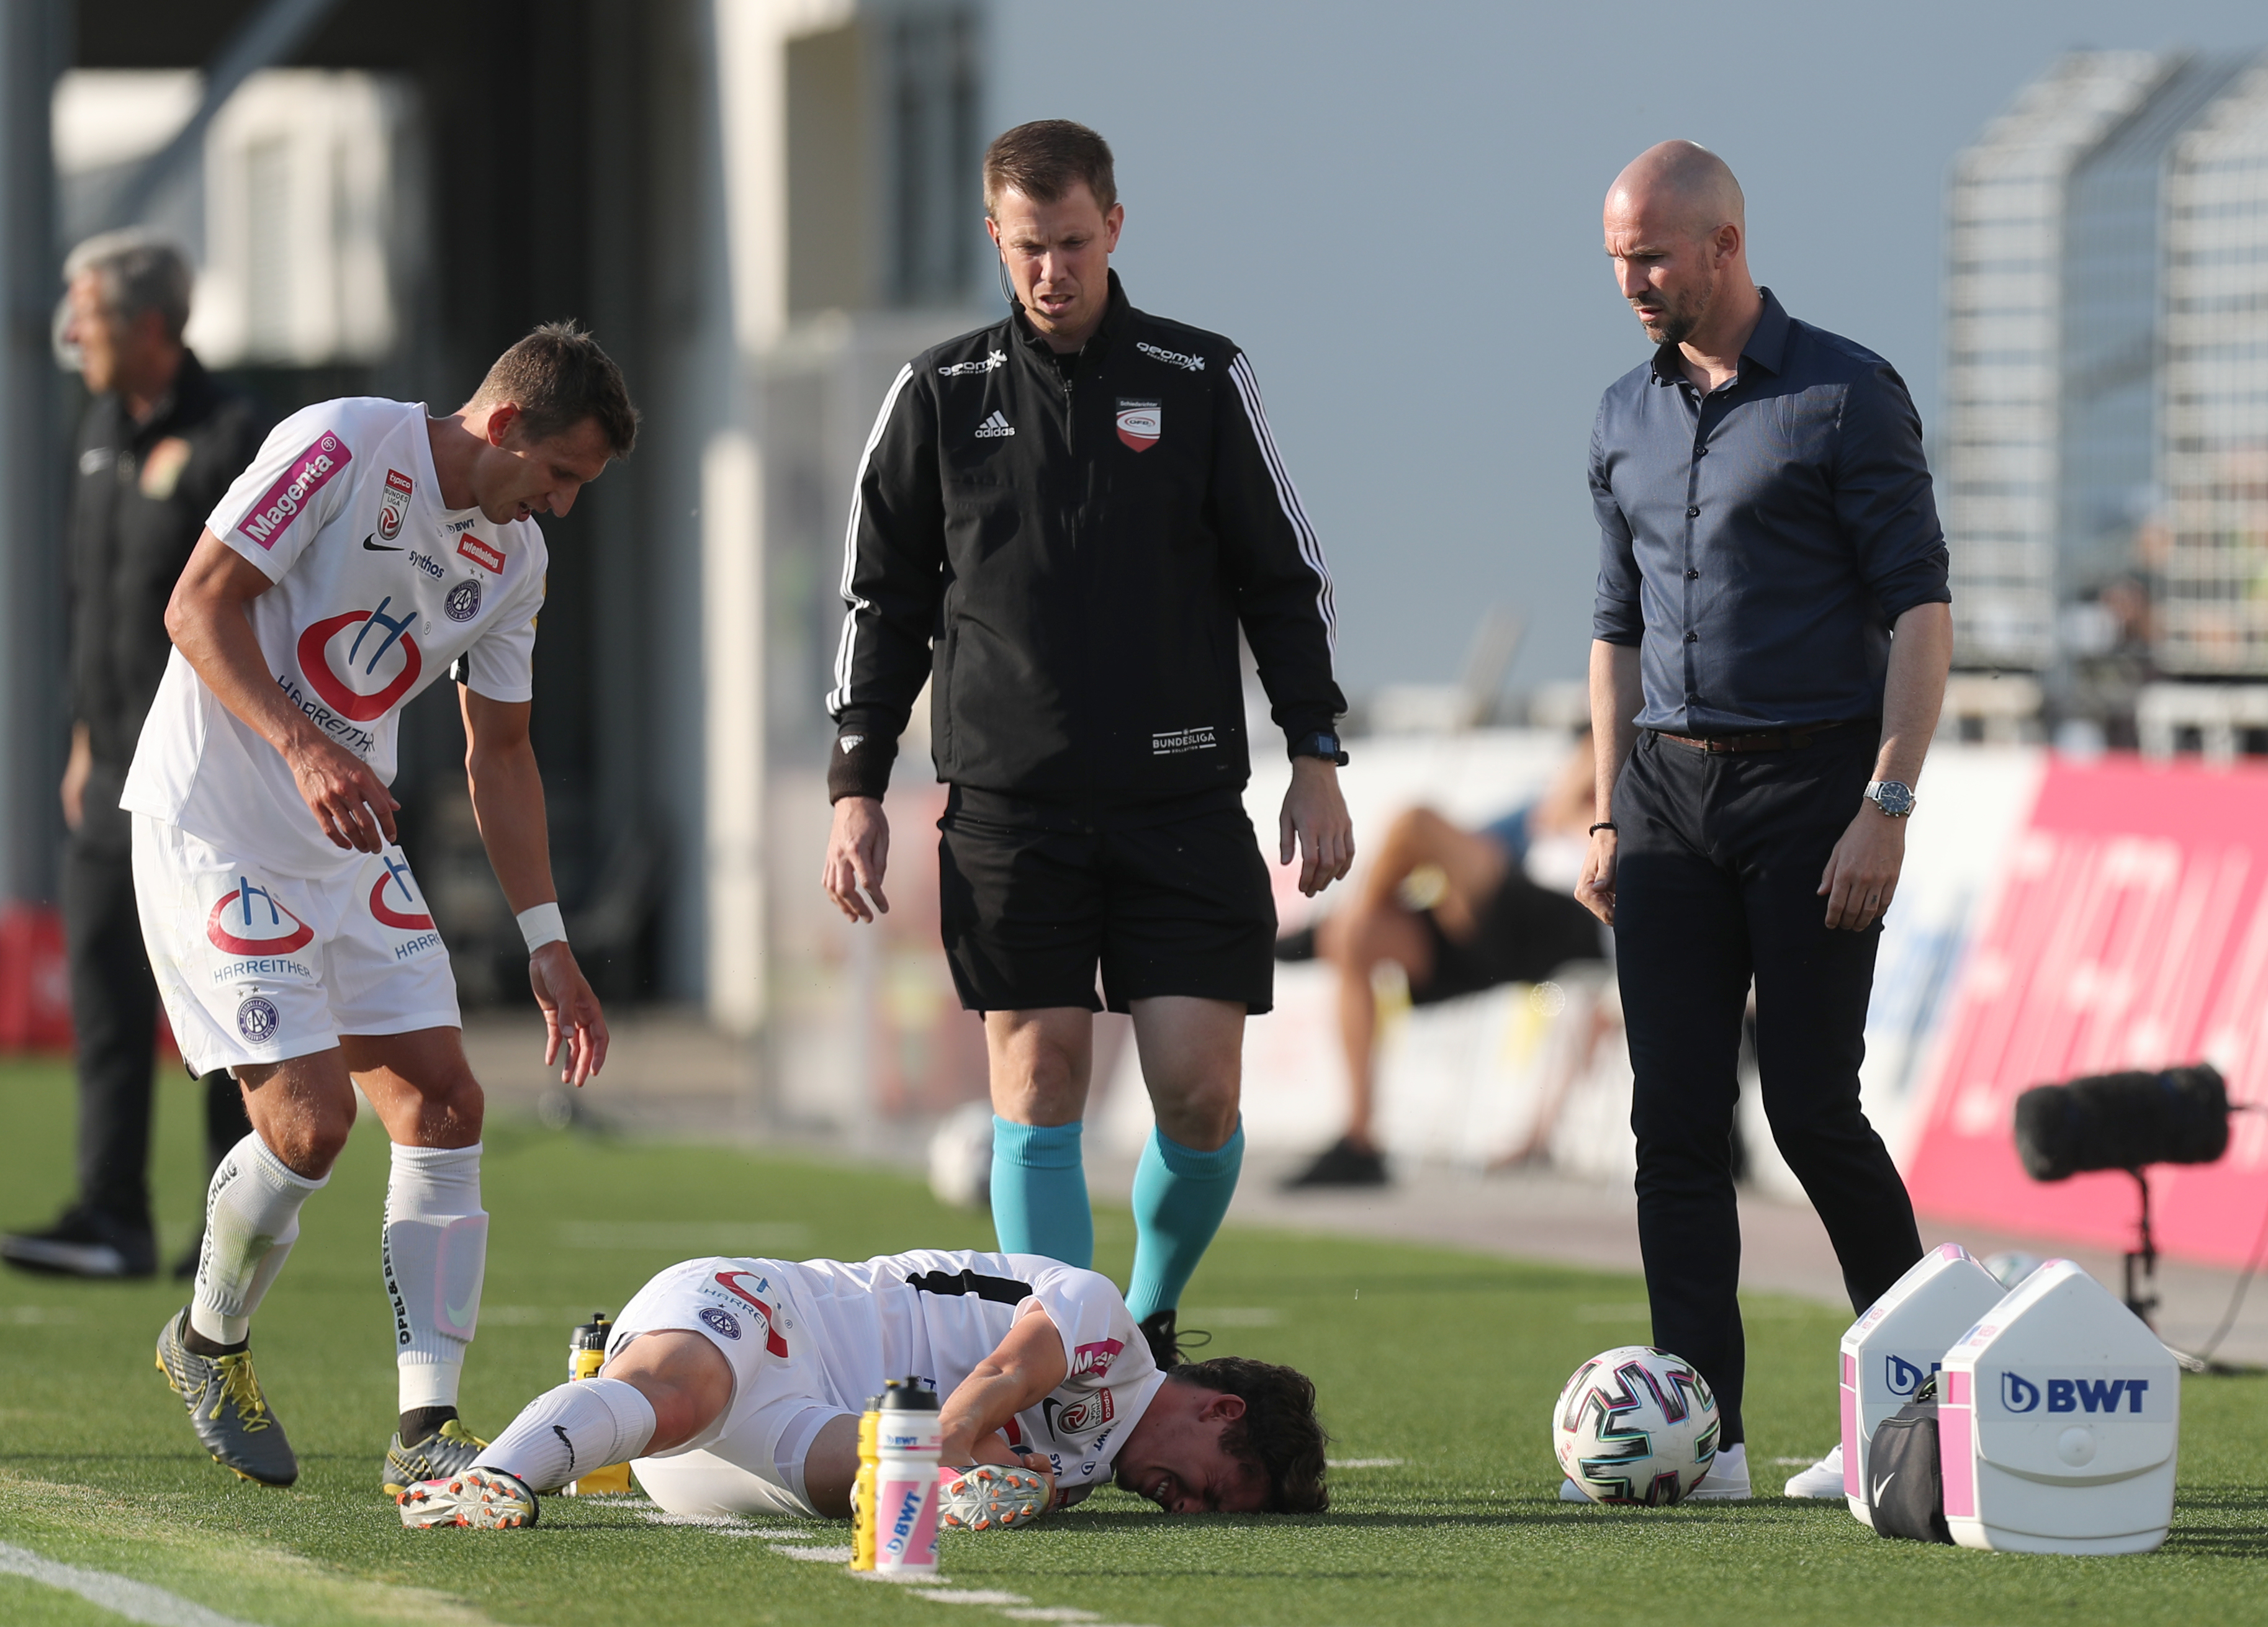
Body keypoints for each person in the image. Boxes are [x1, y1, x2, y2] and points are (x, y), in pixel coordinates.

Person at [819, 120, 1355, 1368]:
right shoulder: (939, 395)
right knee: (1041, 1078)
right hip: (1011, 810)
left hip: (1179, 804)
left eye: (1071, 243)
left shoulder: (1201, 377)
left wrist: (1316, 752)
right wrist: (857, 785)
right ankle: (1067, 1353)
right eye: (1026, 249)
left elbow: (1286, 579)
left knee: (1199, 1094)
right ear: (996, 241)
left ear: (1114, 226)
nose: (1050, 270)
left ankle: (1148, 1321)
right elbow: (880, 606)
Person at [129, 322, 634, 1497]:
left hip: (345, 836)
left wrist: (548, 943)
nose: (559, 506)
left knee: (448, 1100)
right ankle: (205, 1343)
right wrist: (308, 750)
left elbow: (499, 756)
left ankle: (427, 1429)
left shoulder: (514, 564)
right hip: (219, 823)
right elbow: (197, 606)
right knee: (309, 1127)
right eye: (559, 476)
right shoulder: (340, 443)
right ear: (503, 424)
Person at [1577, 141, 1951, 1503]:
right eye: (1618, 255)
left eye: (1653, 255)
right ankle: (1704, 1440)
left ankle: (1906, 1416)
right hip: (1666, 802)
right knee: (1672, 1122)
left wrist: (1886, 806)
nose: (1630, 279)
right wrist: (1610, 810)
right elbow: (1614, 629)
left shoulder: (1849, 394)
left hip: (1815, 796)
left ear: (1726, 244)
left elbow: (1921, 612)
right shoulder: (1622, 410)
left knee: (1808, 1109)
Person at [1, 232, 263, 1283]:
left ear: (153, 327)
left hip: (206, 777)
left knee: (220, 1006)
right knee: (107, 1003)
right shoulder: (100, 429)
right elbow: (90, 601)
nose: (75, 336)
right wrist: (78, 737)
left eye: (92, 316)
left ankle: (230, 1230)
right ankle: (110, 1216)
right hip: (108, 768)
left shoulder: (235, 436)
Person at [395, 1246, 1327, 1529]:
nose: (1180, 1508)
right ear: (1220, 1408)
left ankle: (601, 1425)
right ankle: (494, 1476)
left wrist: (979, 1476)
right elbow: (1002, 1375)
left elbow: (969, 1445)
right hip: (772, 1312)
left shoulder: (1083, 1473)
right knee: (675, 1396)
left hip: (761, 1456)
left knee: (895, 1489)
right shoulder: (1104, 1323)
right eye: (1207, 1487)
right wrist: (966, 1459)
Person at [1279, 732, 1606, 1187]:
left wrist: (1579, 789)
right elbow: (1486, 841)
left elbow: (1552, 816)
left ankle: (1324, 928)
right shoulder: (1543, 809)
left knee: (1414, 823)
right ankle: (1359, 1141)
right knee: (1357, 937)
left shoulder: (1622, 796)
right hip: (1499, 921)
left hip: (1568, 917)